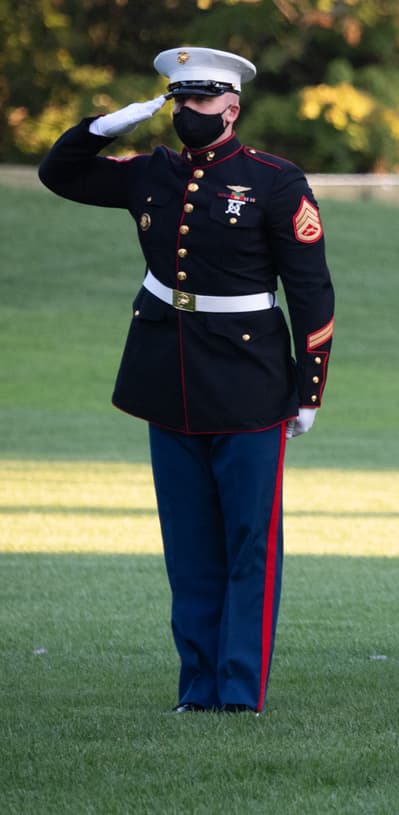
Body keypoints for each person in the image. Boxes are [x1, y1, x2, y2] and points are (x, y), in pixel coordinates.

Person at [38, 47, 335, 715]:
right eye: (178, 102)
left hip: (249, 381)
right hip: (166, 376)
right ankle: (197, 688)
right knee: (189, 547)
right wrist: (111, 122)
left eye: (199, 102)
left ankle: (238, 691)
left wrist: (309, 387)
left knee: (249, 546)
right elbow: (58, 173)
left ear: (231, 108)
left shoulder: (275, 182)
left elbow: (311, 291)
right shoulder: (151, 175)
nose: (186, 115)